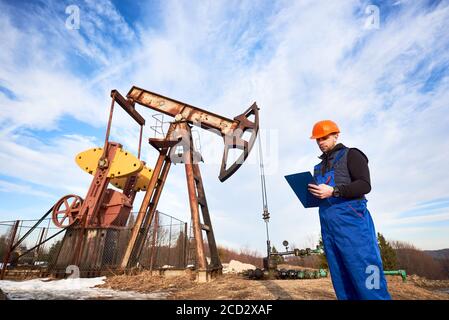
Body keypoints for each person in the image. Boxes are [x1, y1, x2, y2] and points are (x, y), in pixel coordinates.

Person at [307, 120, 391, 300]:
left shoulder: (351, 155)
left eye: (324, 138)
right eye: (318, 140)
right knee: (341, 277)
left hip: (354, 224)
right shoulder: (318, 167)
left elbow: (364, 184)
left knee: (367, 270)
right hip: (329, 227)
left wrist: (334, 191)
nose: (321, 142)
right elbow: (323, 195)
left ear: (336, 135)